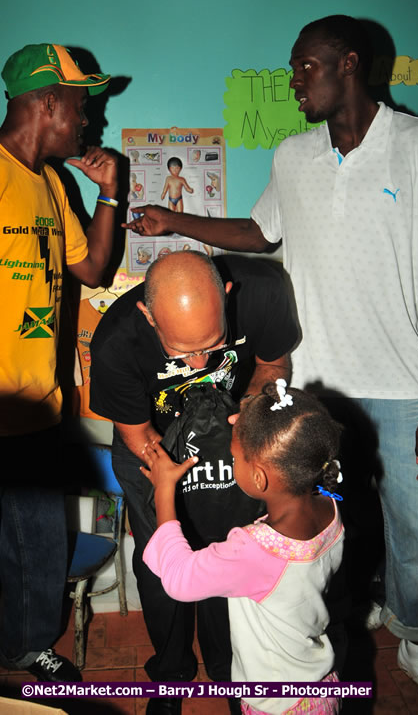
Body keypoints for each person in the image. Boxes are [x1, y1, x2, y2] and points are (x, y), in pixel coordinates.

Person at [124, 15, 418, 714]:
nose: (294, 80)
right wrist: (175, 220)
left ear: (350, 62)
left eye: (305, 66)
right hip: (310, 388)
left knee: (417, 536)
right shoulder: (292, 154)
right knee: (325, 523)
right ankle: (358, 614)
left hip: (401, 385)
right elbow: (257, 231)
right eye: (292, 68)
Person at [0, 43, 118, 685]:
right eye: (81, 107)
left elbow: (90, 268)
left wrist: (111, 195)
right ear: (45, 102)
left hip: (39, 412)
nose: (89, 121)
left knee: (41, 553)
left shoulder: (49, 182)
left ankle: (24, 648)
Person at [89, 250, 298, 714]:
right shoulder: (115, 343)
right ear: (148, 316)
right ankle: (171, 675)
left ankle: (230, 674)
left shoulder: (261, 289)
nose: (202, 360)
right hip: (154, 447)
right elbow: (138, 436)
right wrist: (171, 496)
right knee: (163, 565)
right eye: (183, 351)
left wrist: (246, 425)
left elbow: (273, 365)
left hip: (235, 437)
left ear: (226, 296)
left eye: (213, 341)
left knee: (235, 553)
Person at [141, 379, 344, 715]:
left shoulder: (254, 550)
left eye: (233, 456)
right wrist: (249, 421)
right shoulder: (329, 507)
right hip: (318, 688)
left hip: (276, 704)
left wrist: (165, 489)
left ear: (260, 478)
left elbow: (178, 578)